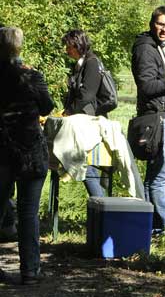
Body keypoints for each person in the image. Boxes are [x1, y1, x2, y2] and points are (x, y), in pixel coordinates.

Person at [0, 27, 55, 285]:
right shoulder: (31, 76)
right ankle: (30, 271)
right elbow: (47, 106)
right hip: (30, 151)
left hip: (2, 150)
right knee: (28, 212)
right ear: (19, 47)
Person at [131, 6, 165, 236]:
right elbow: (148, 86)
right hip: (156, 117)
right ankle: (164, 228)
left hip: (162, 116)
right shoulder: (146, 49)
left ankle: (151, 227)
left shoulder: (159, 48)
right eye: (161, 24)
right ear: (152, 23)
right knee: (160, 176)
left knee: (155, 176)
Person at [61, 29, 107, 197]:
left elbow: (87, 94)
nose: (66, 50)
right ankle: (100, 209)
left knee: (89, 170)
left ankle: (101, 208)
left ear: (77, 45)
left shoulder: (92, 63)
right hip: (83, 123)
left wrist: (69, 111)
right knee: (89, 169)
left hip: (90, 124)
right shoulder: (81, 64)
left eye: (68, 46)